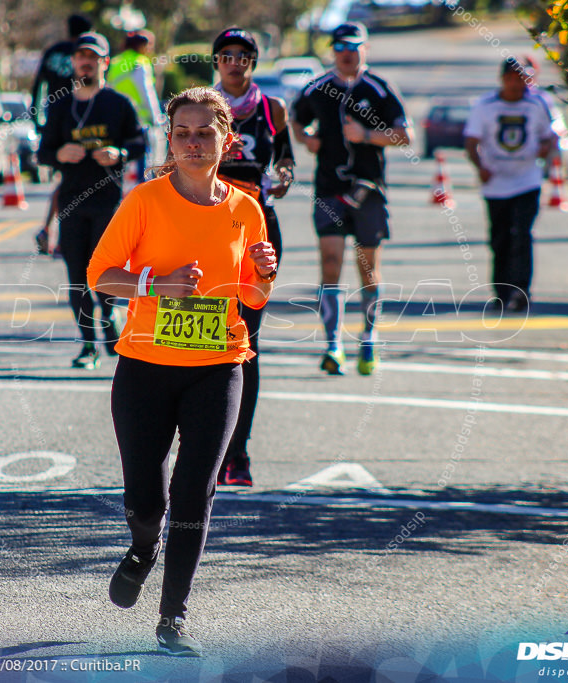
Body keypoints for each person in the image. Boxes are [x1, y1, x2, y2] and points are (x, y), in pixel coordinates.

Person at [86, 86, 277, 656]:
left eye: (204, 132)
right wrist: (156, 285)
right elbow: (101, 274)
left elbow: (253, 296)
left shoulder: (246, 208)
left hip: (218, 367)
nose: (193, 142)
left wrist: (265, 271)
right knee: (148, 502)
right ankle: (143, 547)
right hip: (144, 367)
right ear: (170, 140)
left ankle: (173, 619)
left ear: (227, 137)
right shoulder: (145, 200)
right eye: (183, 132)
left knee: (195, 493)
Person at [291, 22, 411, 376]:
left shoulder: (380, 89)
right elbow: (295, 120)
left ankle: (369, 339)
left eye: (354, 48)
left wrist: (369, 135)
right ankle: (332, 345)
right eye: (341, 48)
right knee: (330, 263)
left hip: (368, 190)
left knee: (368, 268)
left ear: (365, 50)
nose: (347, 54)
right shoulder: (317, 87)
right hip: (329, 189)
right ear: (333, 51)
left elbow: (405, 135)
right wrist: (305, 138)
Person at [211, 27, 295, 487]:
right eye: (227, 55)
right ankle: (206, 444)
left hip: (258, 229)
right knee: (206, 331)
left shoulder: (272, 108)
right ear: (217, 62)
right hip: (208, 227)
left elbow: (286, 160)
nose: (235, 62)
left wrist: (283, 175)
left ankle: (238, 452)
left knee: (245, 341)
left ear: (253, 62)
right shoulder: (205, 107)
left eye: (244, 56)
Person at [38, 32, 146, 369]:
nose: (86, 62)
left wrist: (120, 152)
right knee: (76, 277)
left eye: (93, 57)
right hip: (71, 202)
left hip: (108, 202)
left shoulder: (117, 103)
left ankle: (110, 321)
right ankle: (88, 345)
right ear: (73, 63)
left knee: (104, 273)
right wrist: (59, 153)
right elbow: (42, 153)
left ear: (105, 62)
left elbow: (140, 140)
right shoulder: (60, 105)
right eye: (80, 56)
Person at [464, 57, 555, 312]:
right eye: (513, 79)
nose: (518, 85)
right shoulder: (485, 105)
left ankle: (522, 291)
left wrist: (546, 151)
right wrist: (480, 166)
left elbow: (550, 137)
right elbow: (471, 142)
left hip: (528, 180)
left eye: (522, 79)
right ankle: (501, 292)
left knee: (522, 234)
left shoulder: (537, 103)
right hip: (496, 182)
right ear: (503, 79)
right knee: (500, 237)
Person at [31, 14, 92, 257]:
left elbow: (38, 85)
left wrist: (36, 118)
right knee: (70, 179)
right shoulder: (85, 52)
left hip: (53, 119)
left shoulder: (52, 51)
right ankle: (57, 234)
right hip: (78, 119)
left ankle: (53, 231)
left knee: (66, 178)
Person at [108, 29, 165, 181]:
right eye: (149, 45)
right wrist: (156, 117)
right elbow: (147, 92)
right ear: (141, 46)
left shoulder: (115, 62)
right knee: (142, 158)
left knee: (120, 158)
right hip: (139, 119)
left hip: (115, 118)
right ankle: (143, 191)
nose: (150, 49)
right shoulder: (140, 62)